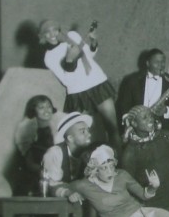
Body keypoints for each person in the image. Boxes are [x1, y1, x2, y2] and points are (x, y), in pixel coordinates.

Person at [39, 19, 120, 147]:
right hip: (78, 93)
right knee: (85, 136)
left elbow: (89, 55)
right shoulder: (49, 57)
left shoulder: (72, 36)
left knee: (113, 129)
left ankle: (119, 163)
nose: (52, 34)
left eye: (54, 29)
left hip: (98, 82)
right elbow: (66, 80)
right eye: (47, 32)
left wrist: (93, 42)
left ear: (59, 29)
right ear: (42, 36)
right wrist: (70, 61)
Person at [115, 48, 169, 133]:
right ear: (148, 63)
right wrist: (127, 120)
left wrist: (166, 110)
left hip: (164, 130)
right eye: (156, 62)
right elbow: (123, 104)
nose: (161, 65)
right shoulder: (132, 80)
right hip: (138, 129)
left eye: (163, 62)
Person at [13, 95, 57, 196]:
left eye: (48, 106)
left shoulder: (55, 125)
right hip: (35, 170)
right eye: (41, 107)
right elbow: (29, 161)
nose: (46, 110)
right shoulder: (28, 128)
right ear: (33, 110)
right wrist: (45, 171)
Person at [42, 111, 94, 188]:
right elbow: (52, 185)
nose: (89, 134)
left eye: (88, 130)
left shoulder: (90, 153)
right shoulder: (55, 153)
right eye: (83, 131)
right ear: (70, 138)